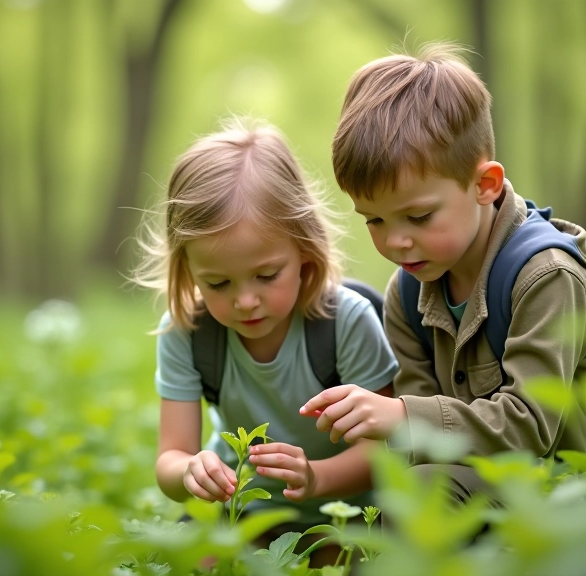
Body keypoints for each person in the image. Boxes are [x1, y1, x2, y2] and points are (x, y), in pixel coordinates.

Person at [301, 43, 586, 501]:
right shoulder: (409, 294)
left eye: (419, 217)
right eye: (375, 220)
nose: (396, 241)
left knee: (428, 488)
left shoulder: (546, 277)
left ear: (484, 185)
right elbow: (427, 453)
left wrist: (403, 416)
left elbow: (530, 425)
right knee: (410, 489)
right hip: (505, 486)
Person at [136, 118, 398, 532]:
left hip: (344, 517)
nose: (245, 301)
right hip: (239, 515)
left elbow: (385, 449)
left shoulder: (345, 321)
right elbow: (171, 458)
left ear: (305, 252)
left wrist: (315, 478)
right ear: (187, 270)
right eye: (217, 283)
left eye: (266, 275)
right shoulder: (186, 332)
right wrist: (189, 472)